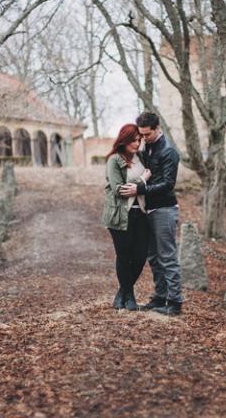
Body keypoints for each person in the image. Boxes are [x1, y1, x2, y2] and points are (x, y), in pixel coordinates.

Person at [120, 112, 182, 315]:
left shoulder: (168, 151)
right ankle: (160, 298)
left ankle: (174, 303)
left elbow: (167, 184)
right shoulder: (148, 147)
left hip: (164, 210)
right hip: (149, 209)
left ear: (157, 128)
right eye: (142, 135)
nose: (143, 139)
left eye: (147, 134)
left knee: (167, 257)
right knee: (154, 257)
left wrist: (140, 189)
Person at [103, 124, 152, 311]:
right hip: (119, 214)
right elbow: (119, 190)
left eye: (139, 140)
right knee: (124, 256)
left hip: (140, 212)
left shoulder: (141, 157)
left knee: (140, 256)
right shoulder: (114, 160)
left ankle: (121, 294)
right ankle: (129, 298)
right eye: (133, 140)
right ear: (124, 139)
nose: (137, 143)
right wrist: (142, 181)